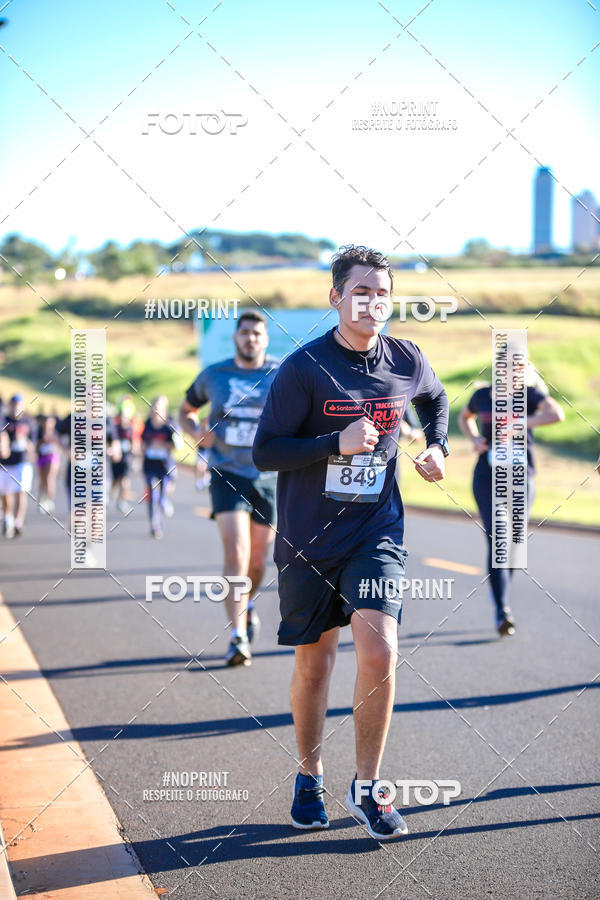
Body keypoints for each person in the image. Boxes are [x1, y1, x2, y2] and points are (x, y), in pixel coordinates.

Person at [252, 245, 449, 840]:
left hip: (375, 530)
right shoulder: (304, 367)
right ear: (336, 297)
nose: (372, 302)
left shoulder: (406, 358)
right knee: (315, 665)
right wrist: (332, 444)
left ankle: (367, 787)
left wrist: (436, 445)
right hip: (309, 538)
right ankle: (309, 774)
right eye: (361, 292)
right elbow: (266, 451)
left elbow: (435, 399)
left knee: (380, 652)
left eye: (382, 293)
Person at [179, 310, 280, 667]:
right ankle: (238, 636)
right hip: (227, 474)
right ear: (236, 337)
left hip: (269, 476)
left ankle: (247, 604)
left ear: (265, 339)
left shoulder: (281, 373)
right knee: (236, 552)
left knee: (257, 560)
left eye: (257, 333)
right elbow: (186, 410)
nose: (250, 338)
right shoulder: (214, 375)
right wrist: (195, 431)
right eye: (245, 332)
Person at [458, 367, 564, 636]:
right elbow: (464, 417)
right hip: (487, 476)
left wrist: (520, 423)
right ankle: (502, 610)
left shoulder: (530, 395)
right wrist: (475, 439)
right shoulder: (482, 395)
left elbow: (556, 415)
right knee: (499, 539)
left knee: (516, 543)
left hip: (520, 478)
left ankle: (501, 594)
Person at [142, 395, 178, 539]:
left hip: (164, 466)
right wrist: (147, 446)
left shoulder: (169, 425)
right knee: (152, 493)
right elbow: (142, 442)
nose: (156, 410)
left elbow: (176, 446)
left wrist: (161, 445)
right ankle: (154, 524)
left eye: (160, 407)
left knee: (162, 497)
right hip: (150, 465)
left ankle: (161, 516)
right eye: (155, 407)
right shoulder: (147, 424)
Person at [0, 394, 35, 538]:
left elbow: (33, 446)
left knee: (21, 491)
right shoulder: (4, 421)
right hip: (6, 464)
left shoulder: (28, 422)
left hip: (22, 462)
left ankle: (18, 522)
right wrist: (4, 445)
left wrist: (25, 442)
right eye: (13, 405)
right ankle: (8, 518)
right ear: (10, 406)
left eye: (18, 404)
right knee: (5, 494)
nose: (16, 407)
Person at [108, 399, 136, 514]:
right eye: (122, 415)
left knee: (125, 481)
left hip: (126, 458)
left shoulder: (130, 428)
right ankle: (110, 497)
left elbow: (133, 443)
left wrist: (134, 452)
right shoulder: (114, 427)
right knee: (115, 481)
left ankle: (121, 501)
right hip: (115, 459)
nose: (124, 418)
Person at [36, 414, 61, 513]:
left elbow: (60, 446)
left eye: (49, 422)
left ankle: (49, 499)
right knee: (42, 479)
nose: (47, 424)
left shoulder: (56, 433)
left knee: (49, 478)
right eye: (45, 422)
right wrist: (42, 441)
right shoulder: (39, 432)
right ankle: (42, 499)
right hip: (41, 457)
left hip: (52, 457)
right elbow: (36, 447)